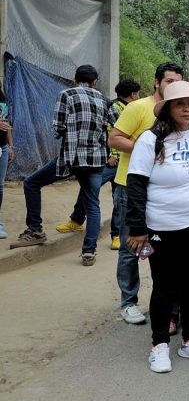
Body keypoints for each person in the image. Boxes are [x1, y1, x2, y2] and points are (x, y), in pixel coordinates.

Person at [125, 80, 189, 373]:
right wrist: (137, 228)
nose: (187, 109)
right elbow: (135, 184)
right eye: (180, 104)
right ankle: (160, 345)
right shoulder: (150, 141)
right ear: (168, 109)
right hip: (163, 227)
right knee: (166, 287)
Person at [10, 65, 114, 267]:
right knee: (92, 204)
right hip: (95, 160)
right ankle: (88, 251)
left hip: (71, 157)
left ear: (74, 79)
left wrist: (70, 133)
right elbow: (114, 123)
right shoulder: (104, 99)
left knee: (32, 183)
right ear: (95, 82)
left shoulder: (66, 94)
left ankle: (35, 231)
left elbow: (57, 127)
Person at [108, 62, 184, 325]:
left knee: (165, 249)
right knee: (131, 247)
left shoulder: (178, 112)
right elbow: (115, 138)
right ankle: (129, 302)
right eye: (168, 81)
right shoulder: (137, 108)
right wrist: (144, 150)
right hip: (130, 187)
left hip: (164, 192)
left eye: (177, 81)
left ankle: (165, 301)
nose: (172, 86)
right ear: (156, 82)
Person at [55, 79, 141, 251]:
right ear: (132, 94)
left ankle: (115, 235)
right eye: (137, 93)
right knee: (92, 191)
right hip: (111, 161)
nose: (139, 97)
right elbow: (107, 131)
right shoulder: (115, 107)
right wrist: (109, 155)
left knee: (115, 196)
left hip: (123, 161)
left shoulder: (128, 108)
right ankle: (78, 220)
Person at [0, 85, 14, 239]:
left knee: (0, 186)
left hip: (2, 147)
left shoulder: (3, 100)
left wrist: (10, 146)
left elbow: (7, 125)